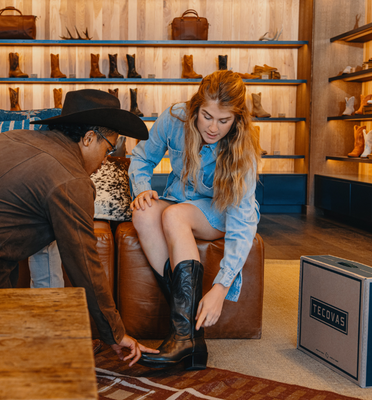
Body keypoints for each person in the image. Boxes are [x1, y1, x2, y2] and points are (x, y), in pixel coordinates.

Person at [0, 89, 158, 366]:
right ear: (88, 138)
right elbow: (84, 264)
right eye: (109, 149)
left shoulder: (13, 138)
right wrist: (115, 333)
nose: (106, 160)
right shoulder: (71, 180)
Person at [128, 70, 261, 370]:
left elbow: (243, 224)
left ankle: (183, 336)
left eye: (224, 120)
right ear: (195, 107)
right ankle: (189, 334)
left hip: (219, 212)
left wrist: (221, 287)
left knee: (174, 216)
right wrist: (143, 189)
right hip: (179, 198)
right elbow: (141, 157)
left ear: (237, 119)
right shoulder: (174, 117)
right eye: (207, 116)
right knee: (144, 211)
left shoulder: (244, 150)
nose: (213, 127)